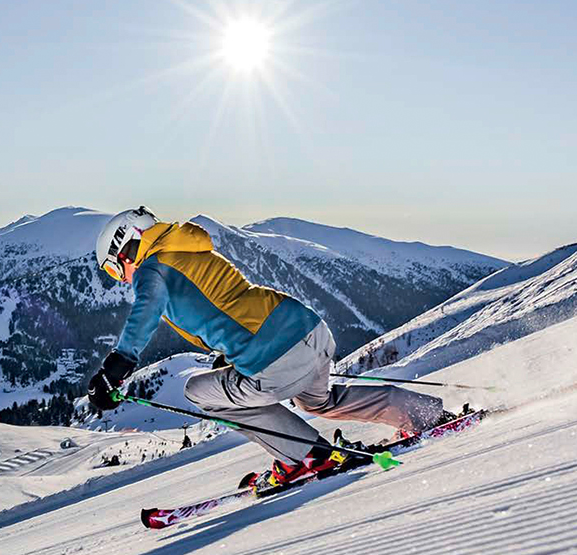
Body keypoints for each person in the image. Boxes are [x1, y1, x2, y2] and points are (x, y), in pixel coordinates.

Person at [85, 207, 466, 493]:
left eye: (116, 271)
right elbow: (223, 302)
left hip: (274, 355)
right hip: (310, 330)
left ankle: (304, 456)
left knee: (197, 391)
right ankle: (424, 413)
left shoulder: (153, 268)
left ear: (127, 247)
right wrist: (231, 350)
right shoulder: (187, 250)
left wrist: (116, 367)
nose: (122, 279)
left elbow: (144, 312)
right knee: (320, 402)